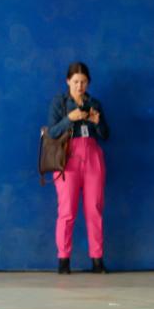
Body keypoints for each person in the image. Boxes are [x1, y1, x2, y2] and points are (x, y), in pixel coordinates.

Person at [46, 61, 109, 275]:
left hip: (92, 154)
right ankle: (63, 260)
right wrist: (69, 119)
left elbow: (106, 135)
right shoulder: (59, 102)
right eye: (75, 82)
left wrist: (97, 121)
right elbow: (52, 132)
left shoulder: (94, 103)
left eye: (83, 82)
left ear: (88, 83)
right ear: (67, 81)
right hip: (67, 156)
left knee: (94, 209)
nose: (79, 86)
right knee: (67, 211)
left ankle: (97, 260)